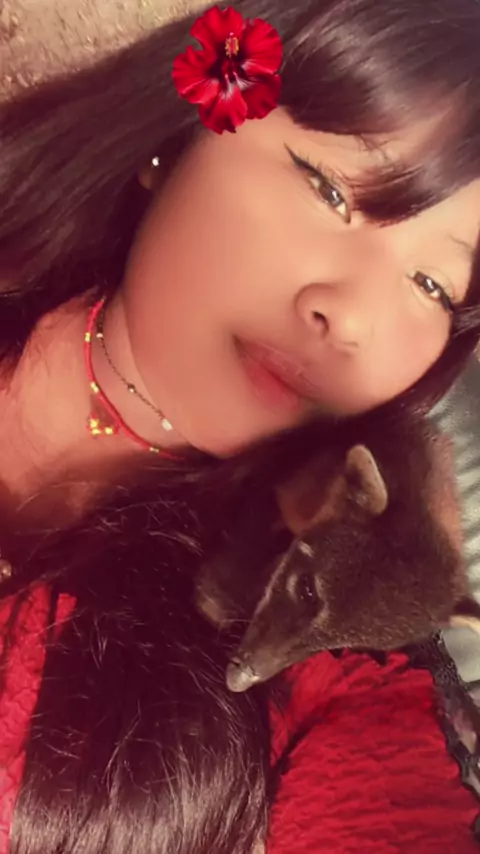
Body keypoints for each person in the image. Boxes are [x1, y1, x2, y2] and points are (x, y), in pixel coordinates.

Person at [0, 0, 480, 850]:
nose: (354, 318)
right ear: (181, 133)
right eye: (329, 188)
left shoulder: (324, 616)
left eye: (432, 284)